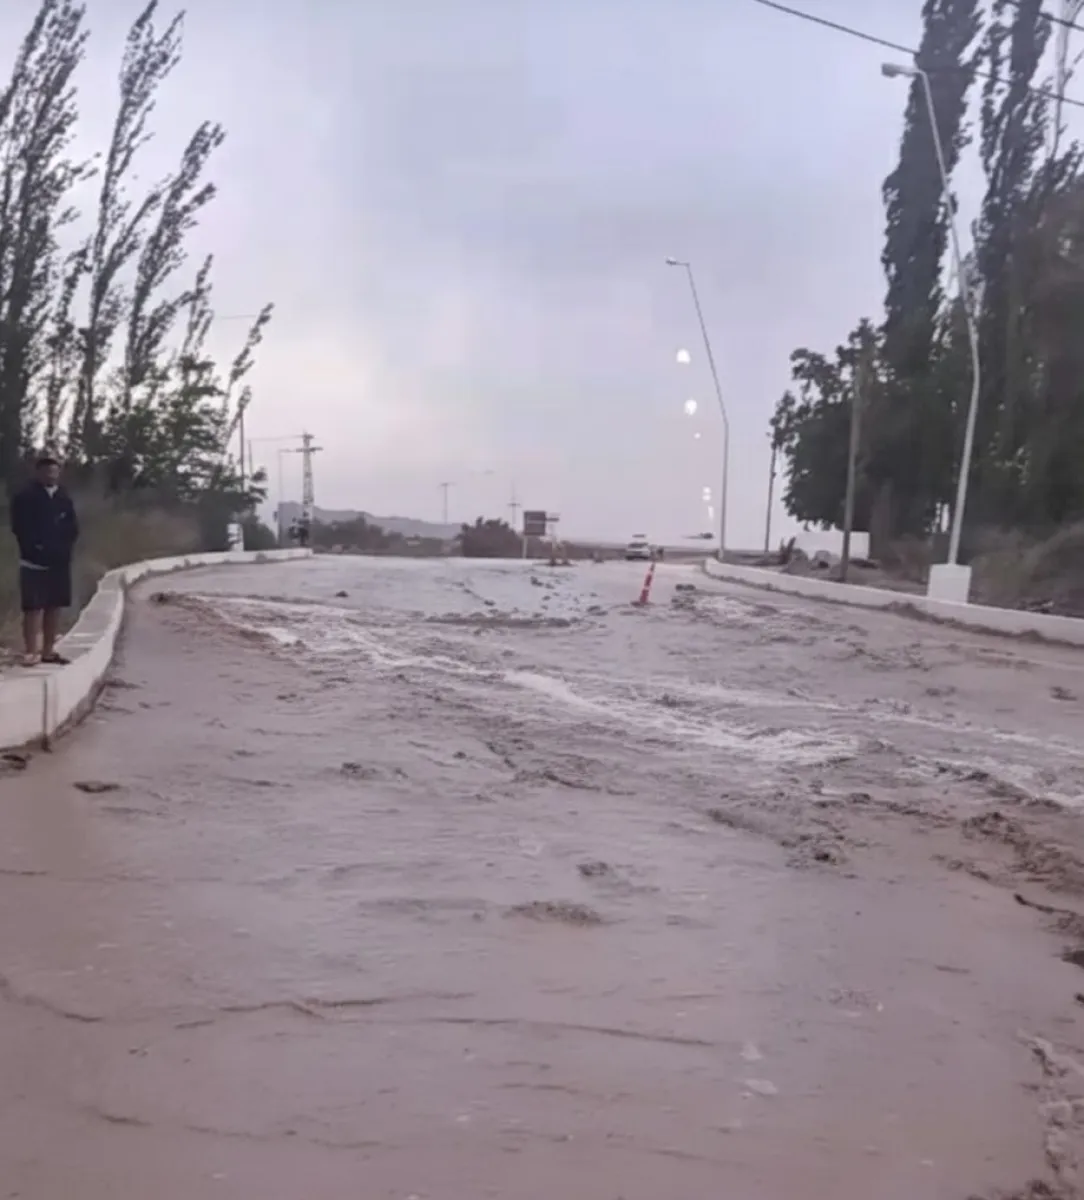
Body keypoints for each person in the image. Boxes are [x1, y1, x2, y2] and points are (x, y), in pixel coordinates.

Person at [10, 453, 79, 666]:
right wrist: (35, 548)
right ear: (38, 472)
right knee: (33, 606)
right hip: (34, 560)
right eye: (48, 471)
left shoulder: (63, 498)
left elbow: (72, 528)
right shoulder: (25, 497)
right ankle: (31, 652)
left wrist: (64, 548)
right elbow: (20, 527)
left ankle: (48, 650)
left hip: (59, 561)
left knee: (54, 605)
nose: (52, 475)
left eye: (55, 471)